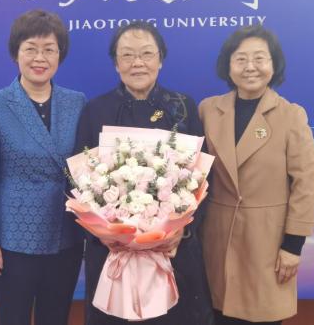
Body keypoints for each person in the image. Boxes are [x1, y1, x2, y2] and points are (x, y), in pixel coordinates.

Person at [74, 20, 214, 325]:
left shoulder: (182, 107)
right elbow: (77, 181)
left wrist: (181, 232)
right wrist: (107, 235)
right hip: (112, 254)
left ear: (160, 59)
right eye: (127, 55)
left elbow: (203, 179)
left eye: (147, 53)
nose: (137, 62)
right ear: (116, 64)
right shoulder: (95, 110)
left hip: (172, 253)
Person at [0, 10, 86, 325]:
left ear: (60, 54)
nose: (40, 58)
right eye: (31, 48)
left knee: (56, 318)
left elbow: (87, 169)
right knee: (13, 318)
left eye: (49, 49)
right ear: (15, 53)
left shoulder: (77, 103)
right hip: (14, 240)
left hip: (66, 237)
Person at [199, 25, 314, 324]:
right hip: (215, 239)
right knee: (216, 314)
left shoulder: (291, 115)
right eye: (240, 59)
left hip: (267, 243)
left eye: (259, 58)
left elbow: (305, 184)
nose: (250, 67)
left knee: (262, 316)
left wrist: (293, 246)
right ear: (228, 65)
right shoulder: (208, 110)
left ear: (273, 64)